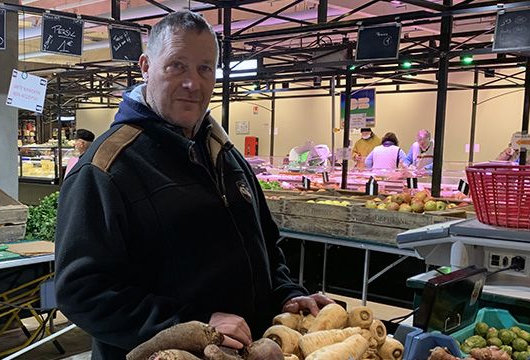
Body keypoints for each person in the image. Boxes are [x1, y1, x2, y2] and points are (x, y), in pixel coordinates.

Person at [54, 11, 333, 359]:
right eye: (177, 66)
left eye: (205, 68)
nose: (193, 83)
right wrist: (194, 326)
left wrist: (287, 294)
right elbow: (81, 291)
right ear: (145, 66)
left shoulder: (225, 155)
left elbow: (266, 245)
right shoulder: (107, 168)